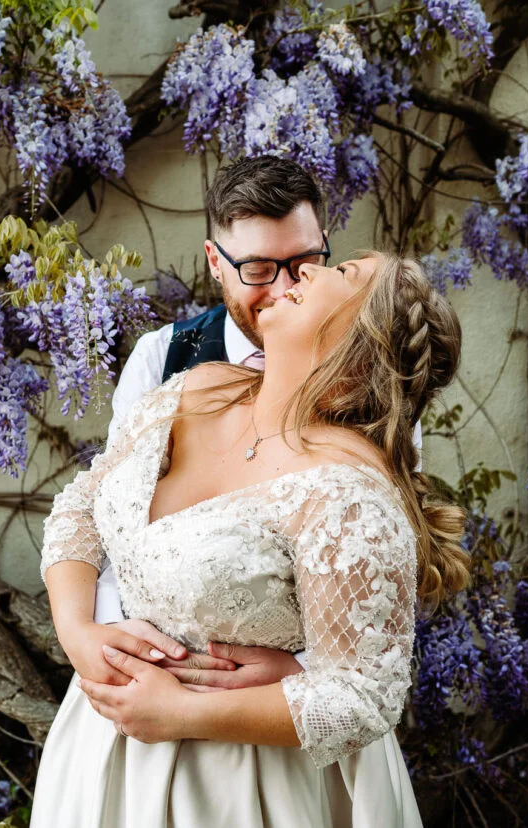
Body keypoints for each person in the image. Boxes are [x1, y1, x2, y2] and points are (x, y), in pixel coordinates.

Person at [30, 248, 470, 827]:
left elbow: (365, 697)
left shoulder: (348, 492)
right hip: (100, 751)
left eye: (343, 274)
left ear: (364, 353)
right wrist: (79, 632)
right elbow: (82, 505)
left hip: (244, 785)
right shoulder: (199, 387)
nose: (307, 270)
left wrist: (183, 713)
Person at [92, 156, 424, 692]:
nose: (285, 286)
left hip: (279, 709)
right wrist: (101, 638)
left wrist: (304, 673)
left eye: (305, 261)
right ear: (215, 262)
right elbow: (109, 517)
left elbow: (384, 576)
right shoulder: (163, 362)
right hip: (132, 683)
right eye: (258, 269)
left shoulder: (373, 396)